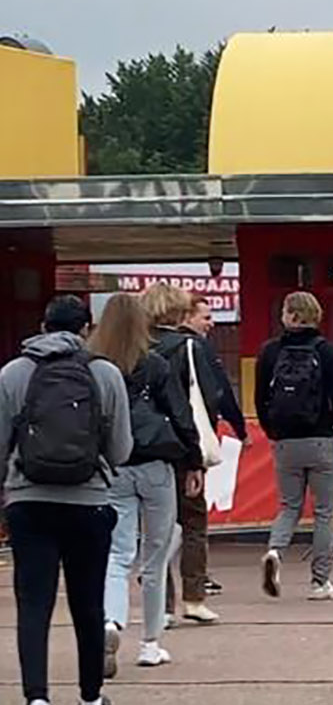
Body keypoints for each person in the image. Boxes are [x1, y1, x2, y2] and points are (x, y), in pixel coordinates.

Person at [0, 295, 131, 705]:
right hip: (88, 502)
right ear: (86, 330)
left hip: (28, 501)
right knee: (87, 602)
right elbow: (122, 449)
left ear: (42, 327)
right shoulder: (104, 374)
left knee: (34, 603)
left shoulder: (12, 373)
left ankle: (36, 698)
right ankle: (90, 696)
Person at [93, 294, 199, 675]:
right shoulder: (155, 363)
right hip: (156, 465)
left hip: (115, 467)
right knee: (154, 557)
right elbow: (180, 413)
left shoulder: (96, 366)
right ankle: (150, 643)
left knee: (116, 554)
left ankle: (110, 621)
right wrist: (194, 461)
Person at [255, 292, 333, 601]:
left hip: (285, 442)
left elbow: (261, 398)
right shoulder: (328, 352)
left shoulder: (270, 352)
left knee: (289, 506)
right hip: (323, 438)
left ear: (291, 316)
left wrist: (273, 430)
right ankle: (320, 582)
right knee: (324, 512)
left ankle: (275, 551)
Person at [142, 283, 221, 625]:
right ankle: (194, 597)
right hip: (180, 444)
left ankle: (161, 604)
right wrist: (197, 455)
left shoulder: (135, 348)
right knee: (192, 523)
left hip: (142, 448)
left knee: (154, 530)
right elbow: (207, 397)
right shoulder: (191, 347)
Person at [177, 294, 247, 599]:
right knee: (193, 515)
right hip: (192, 441)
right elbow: (218, 392)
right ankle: (196, 581)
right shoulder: (198, 349)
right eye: (205, 317)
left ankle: (156, 571)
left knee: (165, 514)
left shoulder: (152, 347)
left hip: (159, 445)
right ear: (186, 317)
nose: (211, 323)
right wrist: (240, 428)